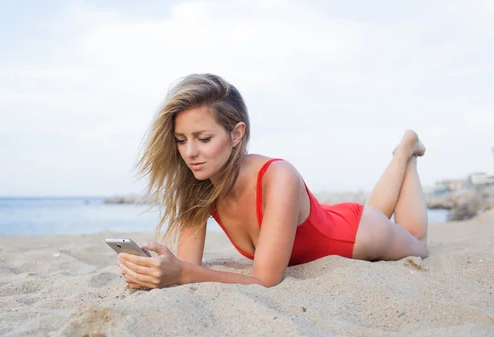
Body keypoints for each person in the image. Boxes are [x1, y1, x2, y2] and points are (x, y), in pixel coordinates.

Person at [117, 73, 428, 289]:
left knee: (418, 244)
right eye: (181, 140)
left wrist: (181, 273)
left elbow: (265, 281)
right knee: (377, 210)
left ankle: (406, 153)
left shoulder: (279, 176)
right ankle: (400, 157)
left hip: (355, 233)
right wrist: (159, 270)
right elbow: (188, 266)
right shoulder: (198, 184)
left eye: (204, 138)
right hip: (324, 223)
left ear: (236, 134)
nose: (190, 152)